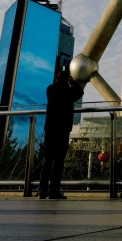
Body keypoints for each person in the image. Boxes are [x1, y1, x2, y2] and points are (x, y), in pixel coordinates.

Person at [37, 67, 84, 200]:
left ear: (56, 78)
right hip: (63, 130)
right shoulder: (69, 92)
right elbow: (80, 92)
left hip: (50, 129)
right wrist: (73, 82)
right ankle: (54, 192)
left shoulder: (50, 89)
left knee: (47, 161)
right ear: (66, 80)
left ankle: (42, 190)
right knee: (58, 162)